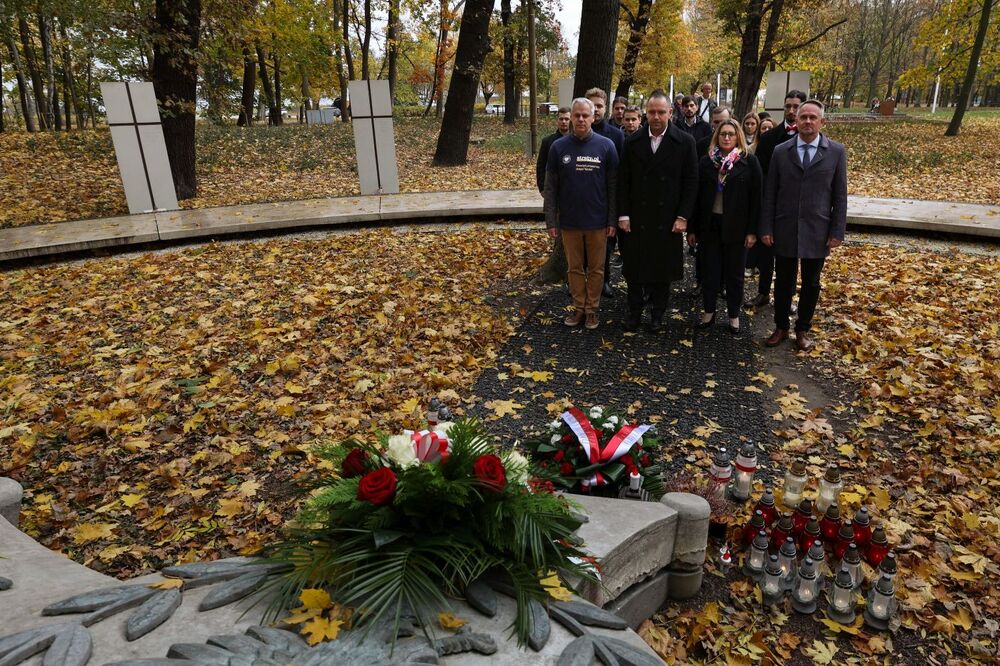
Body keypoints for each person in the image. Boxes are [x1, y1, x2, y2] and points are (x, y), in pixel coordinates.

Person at [760, 100, 847, 352]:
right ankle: (781, 326)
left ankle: (802, 329)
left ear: (822, 121)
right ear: (796, 121)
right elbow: (770, 193)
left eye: (813, 117)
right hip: (784, 227)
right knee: (783, 280)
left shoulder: (836, 152)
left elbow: (840, 195)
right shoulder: (781, 151)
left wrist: (837, 231)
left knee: (811, 282)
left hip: (817, 229)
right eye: (803, 117)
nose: (807, 121)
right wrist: (766, 227)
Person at [616, 90, 698, 333]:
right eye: (652, 112)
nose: (656, 117)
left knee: (662, 271)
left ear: (671, 113)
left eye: (661, 112)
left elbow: (691, 182)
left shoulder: (685, 142)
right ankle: (634, 312)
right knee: (634, 269)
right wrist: (623, 214)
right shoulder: (632, 141)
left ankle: (657, 314)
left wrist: (683, 216)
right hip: (637, 216)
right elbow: (623, 181)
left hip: (668, 217)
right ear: (646, 113)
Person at [543, 97, 619, 330]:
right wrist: (551, 220)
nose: (581, 119)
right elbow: (550, 187)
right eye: (577, 115)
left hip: (598, 222)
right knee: (574, 269)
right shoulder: (558, 147)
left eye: (586, 115)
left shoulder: (607, 146)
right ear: (571, 118)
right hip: (569, 222)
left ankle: (592, 310)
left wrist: (612, 220)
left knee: (596, 269)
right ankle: (578, 308)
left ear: (593, 117)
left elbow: (613, 186)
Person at [691, 120, 761, 335]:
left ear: (738, 136)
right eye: (723, 134)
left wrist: (752, 231)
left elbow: (757, 199)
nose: (727, 137)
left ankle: (733, 316)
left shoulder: (749, 161)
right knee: (710, 273)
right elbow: (696, 197)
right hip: (710, 226)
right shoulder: (706, 162)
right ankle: (708, 312)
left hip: (737, 229)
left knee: (735, 275)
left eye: (731, 134)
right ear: (717, 136)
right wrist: (692, 229)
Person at [747, 89, 807, 308]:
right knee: (766, 253)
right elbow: (760, 175)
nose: (791, 111)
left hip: (795, 207)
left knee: (790, 257)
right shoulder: (769, 137)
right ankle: (763, 292)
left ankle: (787, 297)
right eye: (788, 106)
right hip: (771, 205)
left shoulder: (807, 138)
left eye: (795, 107)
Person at [585, 87, 625, 297]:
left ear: (605, 107)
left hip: (607, 198)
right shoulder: (577, 132)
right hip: (584, 198)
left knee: (606, 245)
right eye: (592, 106)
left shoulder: (616, 135)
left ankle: (604, 280)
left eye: (599, 106)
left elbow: (621, 169)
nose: (596, 110)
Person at [536, 107, 571, 193]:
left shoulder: (577, 141)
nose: (564, 122)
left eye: (567, 119)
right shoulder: (547, 141)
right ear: (557, 120)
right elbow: (541, 166)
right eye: (561, 119)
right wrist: (542, 188)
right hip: (553, 187)